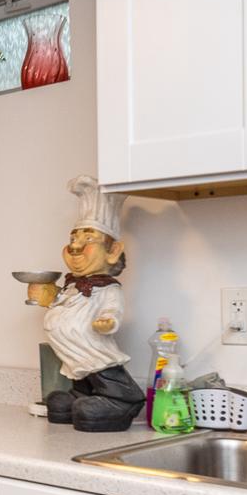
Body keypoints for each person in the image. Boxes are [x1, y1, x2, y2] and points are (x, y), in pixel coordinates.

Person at [26, 176, 142, 431]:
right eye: (73, 239)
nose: (75, 246)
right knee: (65, 395)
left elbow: (113, 310)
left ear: (113, 251)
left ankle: (123, 399)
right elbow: (64, 303)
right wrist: (48, 297)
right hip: (74, 357)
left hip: (95, 352)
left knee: (100, 369)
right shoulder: (72, 286)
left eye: (88, 240)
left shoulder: (108, 289)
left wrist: (107, 322)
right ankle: (83, 395)